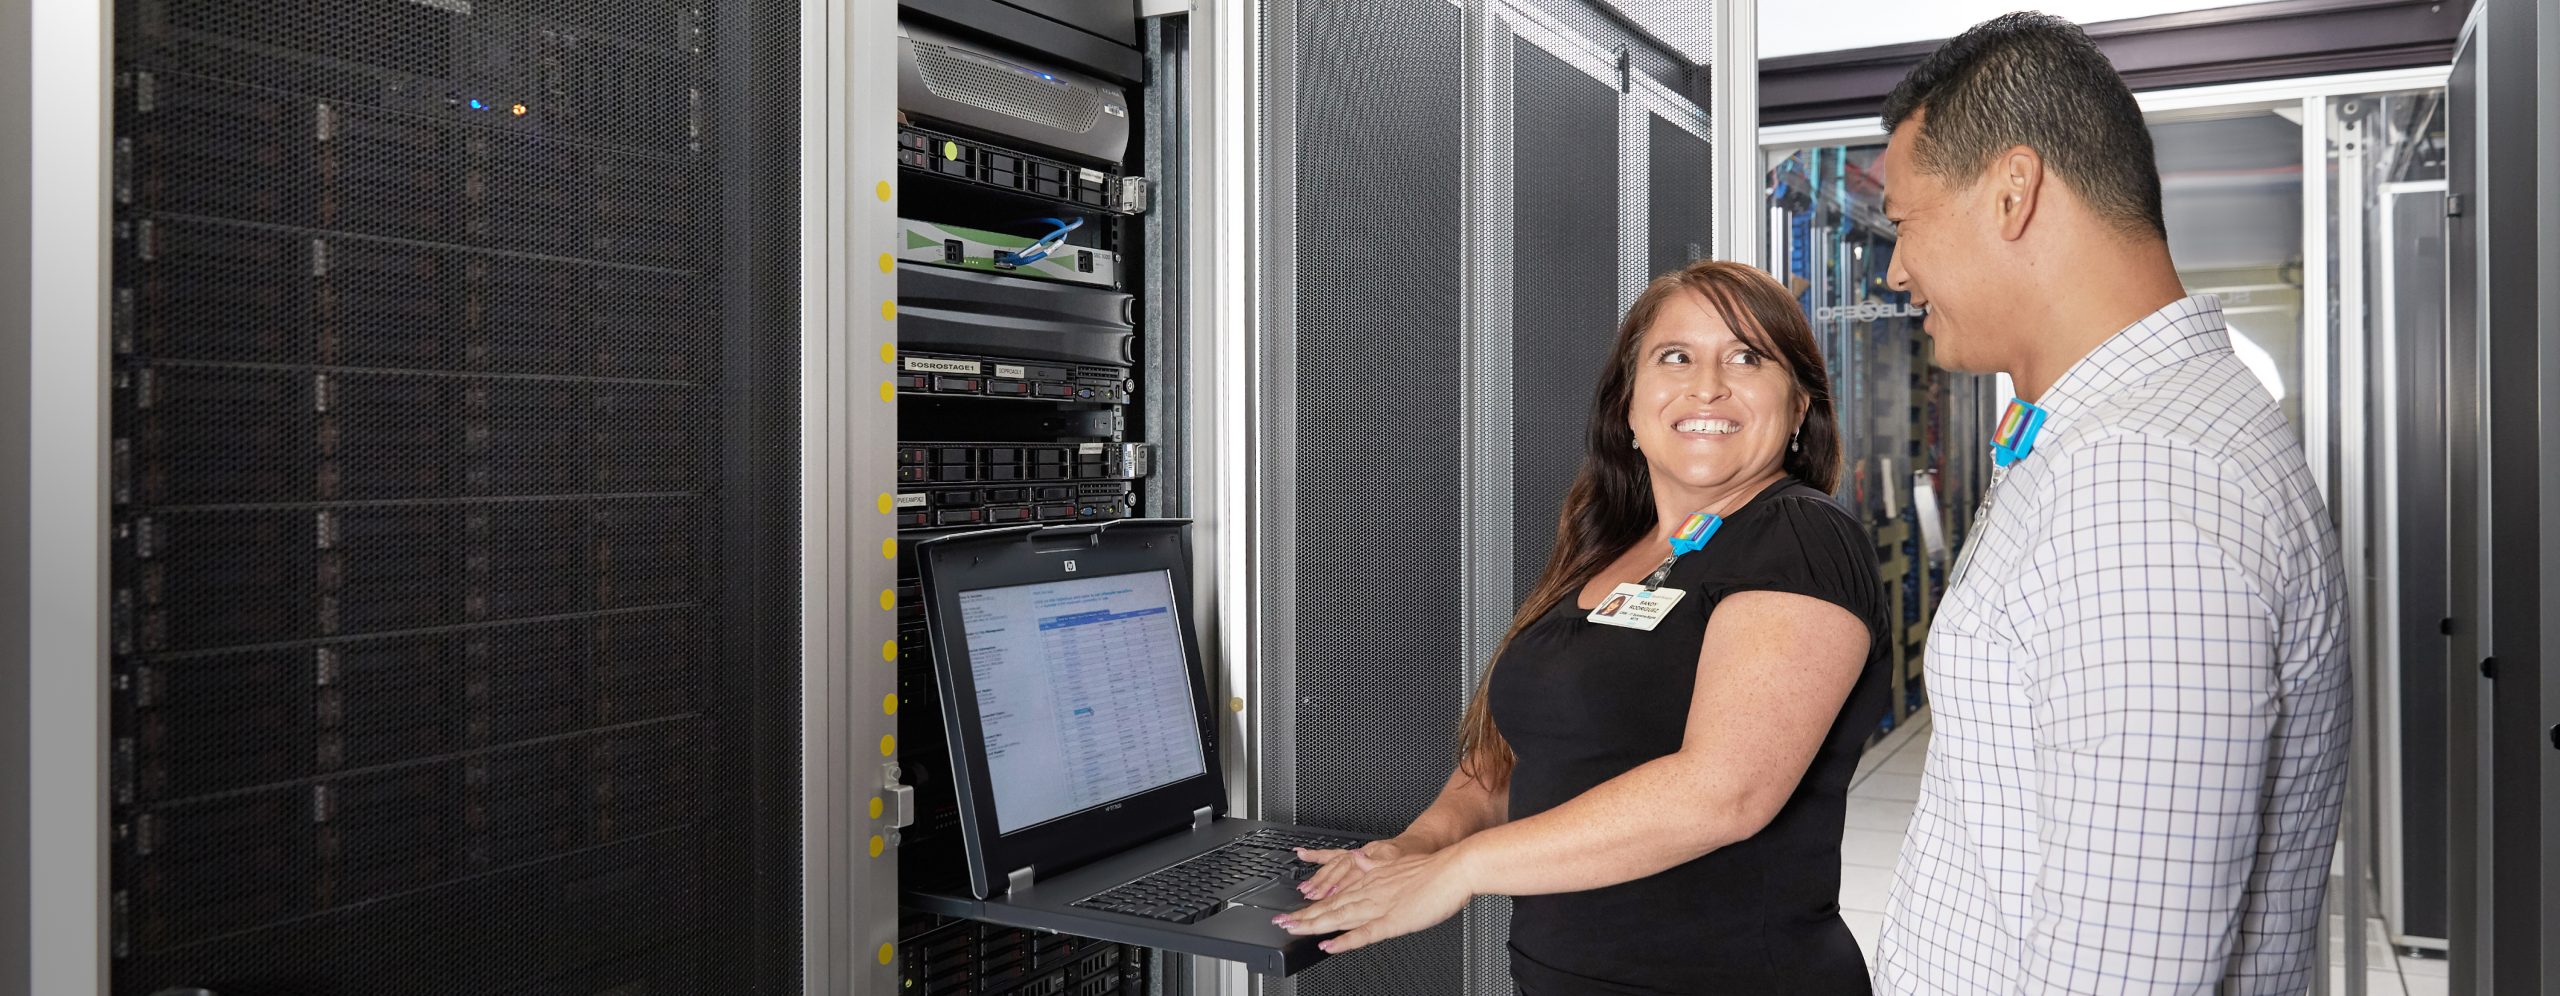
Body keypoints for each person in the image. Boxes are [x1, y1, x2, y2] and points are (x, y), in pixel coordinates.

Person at [1867, 14, 2348, 994]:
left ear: (2012, 191)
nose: (1894, 271)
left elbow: (2125, 973)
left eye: (1904, 222)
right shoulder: (2120, 438)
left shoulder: (2143, 487)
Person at [1278, 260, 1890, 995]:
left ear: (1798, 410)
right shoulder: (1607, 551)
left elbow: (1723, 792)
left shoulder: (1799, 537)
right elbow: (1514, 758)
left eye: (1747, 357)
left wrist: (1460, 870)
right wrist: (1416, 845)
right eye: (1676, 357)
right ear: (1629, 407)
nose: (1707, 386)